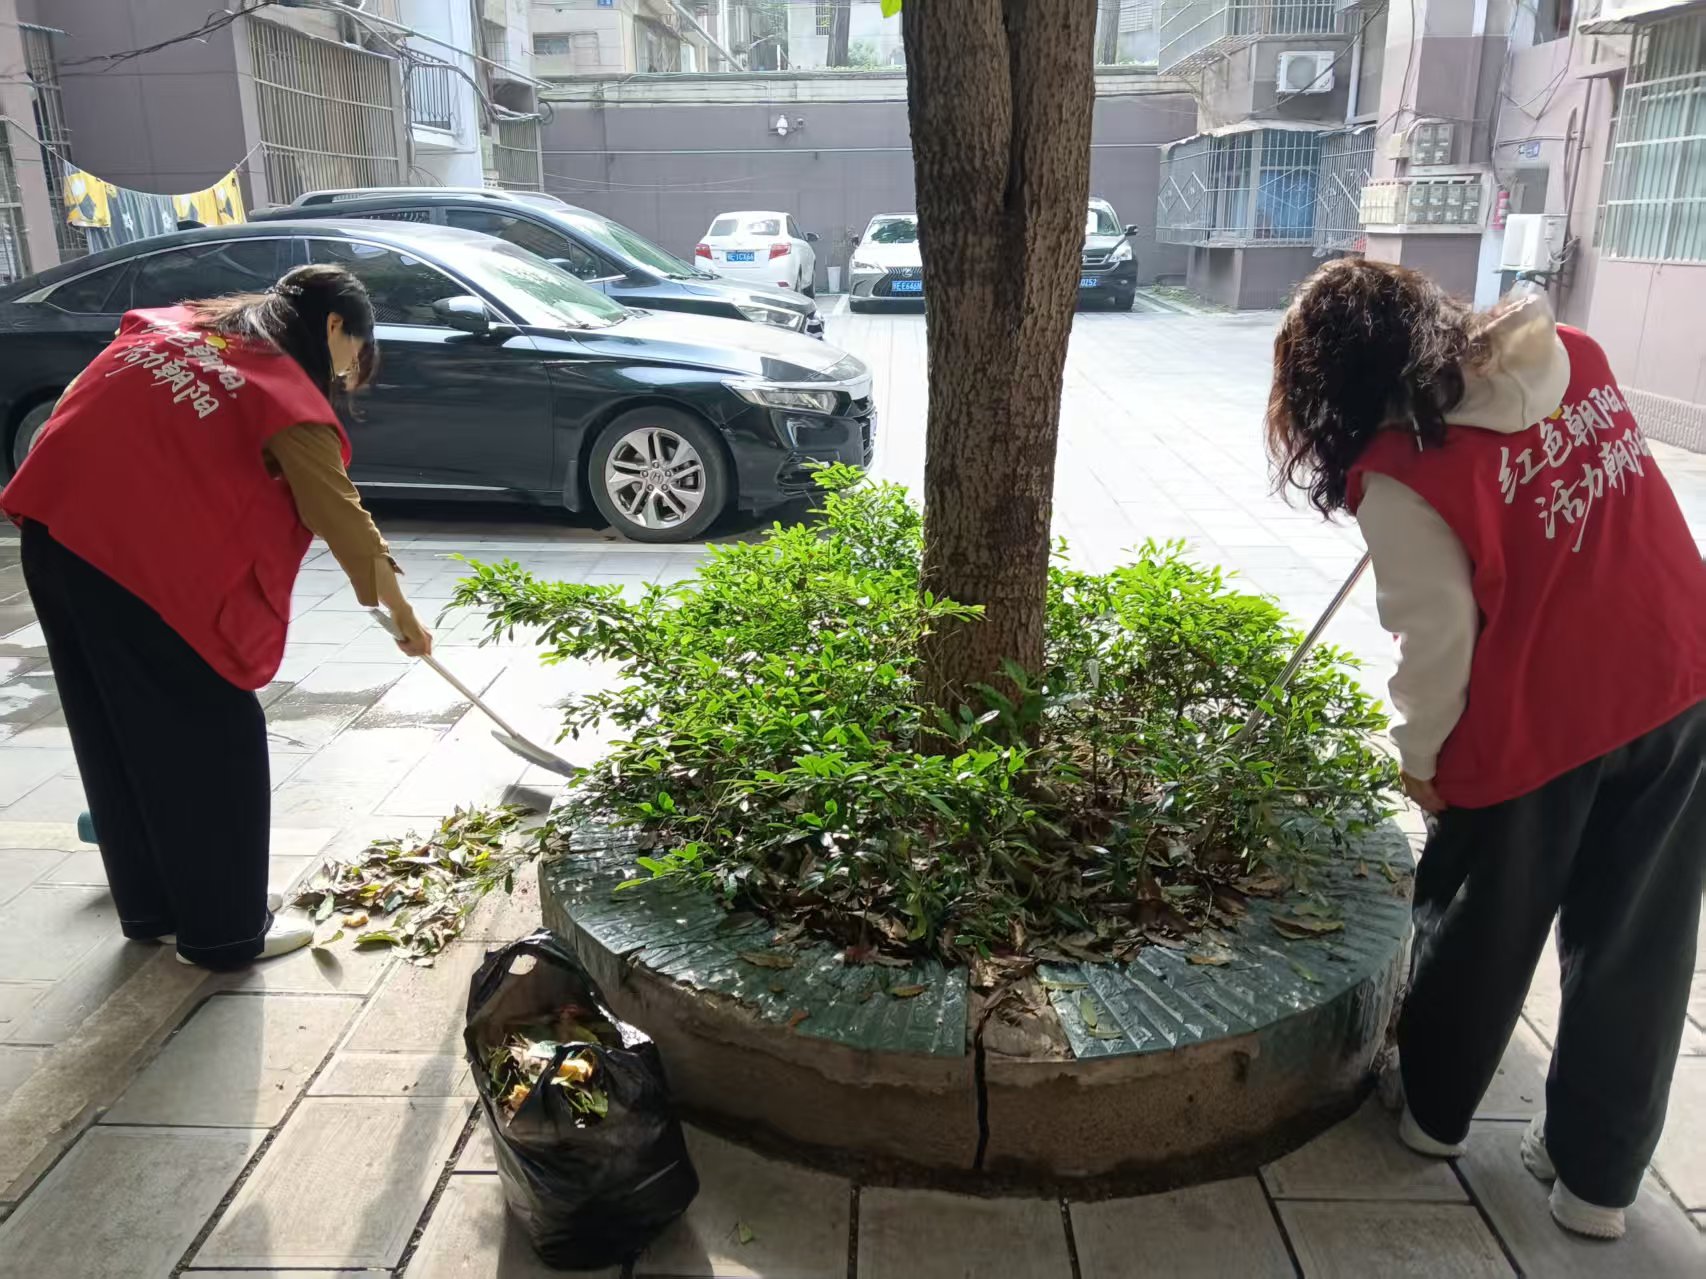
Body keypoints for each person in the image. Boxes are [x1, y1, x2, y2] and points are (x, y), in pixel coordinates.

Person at [1265, 259, 1706, 1242]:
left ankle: (1432, 1112)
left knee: (1479, 907)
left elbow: (1437, 645)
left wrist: (1420, 761)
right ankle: (1595, 1183)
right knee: (1640, 937)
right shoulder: (1574, 356)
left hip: (1546, 715)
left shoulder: (1403, 470)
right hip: (1680, 676)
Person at [1, 264, 433, 969]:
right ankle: (226, 931)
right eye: (355, 351)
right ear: (334, 326)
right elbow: (339, 514)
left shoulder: (174, 330)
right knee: (216, 735)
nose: (348, 371)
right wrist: (404, 617)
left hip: (53, 533)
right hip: (129, 563)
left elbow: (80, 409)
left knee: (117, 727)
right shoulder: (281, 393)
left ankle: (156, 909)